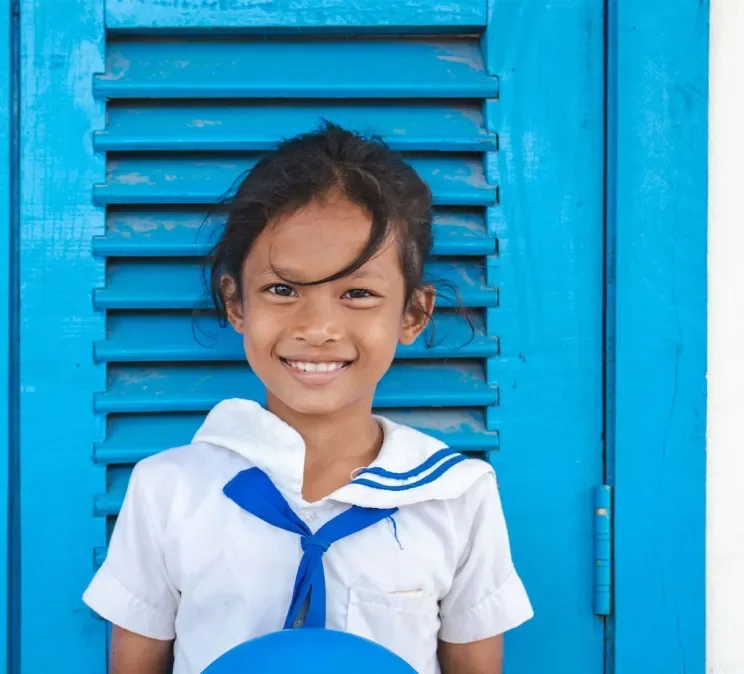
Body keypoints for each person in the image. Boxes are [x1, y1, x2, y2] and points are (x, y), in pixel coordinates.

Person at [82, 122, 533, 674]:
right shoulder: (168, 490)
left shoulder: (457, 495)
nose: (317, 327)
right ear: (236, 303)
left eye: (358, 293)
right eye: (282, 289)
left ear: (413, 314)